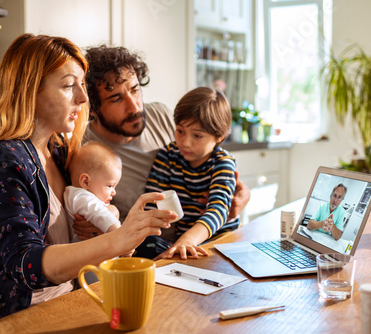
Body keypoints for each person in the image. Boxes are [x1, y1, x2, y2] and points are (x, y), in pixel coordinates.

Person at [0, 34, 175, 333]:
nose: (83, 98)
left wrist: (105, 224)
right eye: (69, 85)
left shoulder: (59, 151)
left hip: (65, 303)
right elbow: (25, 264)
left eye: (81, 85)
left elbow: (83, 218)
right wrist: (117, 240)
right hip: (7, 320)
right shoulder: (3, 160)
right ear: (30, 91)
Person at [80, 45, 250, 259]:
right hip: (149, 247)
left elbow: (216, 171)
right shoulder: (84, 149)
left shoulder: (160, 114)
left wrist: (240, 196)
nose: (134, 107)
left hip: (210, 241)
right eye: (116, 99)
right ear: (93, 108)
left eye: (134, 90)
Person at [138, 86, 239, 259]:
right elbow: (152, 203)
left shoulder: (222, 163)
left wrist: (188, 240)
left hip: (221, 243)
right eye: (180, 131)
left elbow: (218, 209)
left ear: (219, 137)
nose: (185, 143)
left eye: (197, 136)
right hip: (183, 245)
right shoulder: (168, 156)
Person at [64, 140, 123, 242]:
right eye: (110, 186)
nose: (114, 192)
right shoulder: (80, 197)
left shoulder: (81, 195)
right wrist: (123, 237)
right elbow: (102, 215)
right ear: (85, 181)